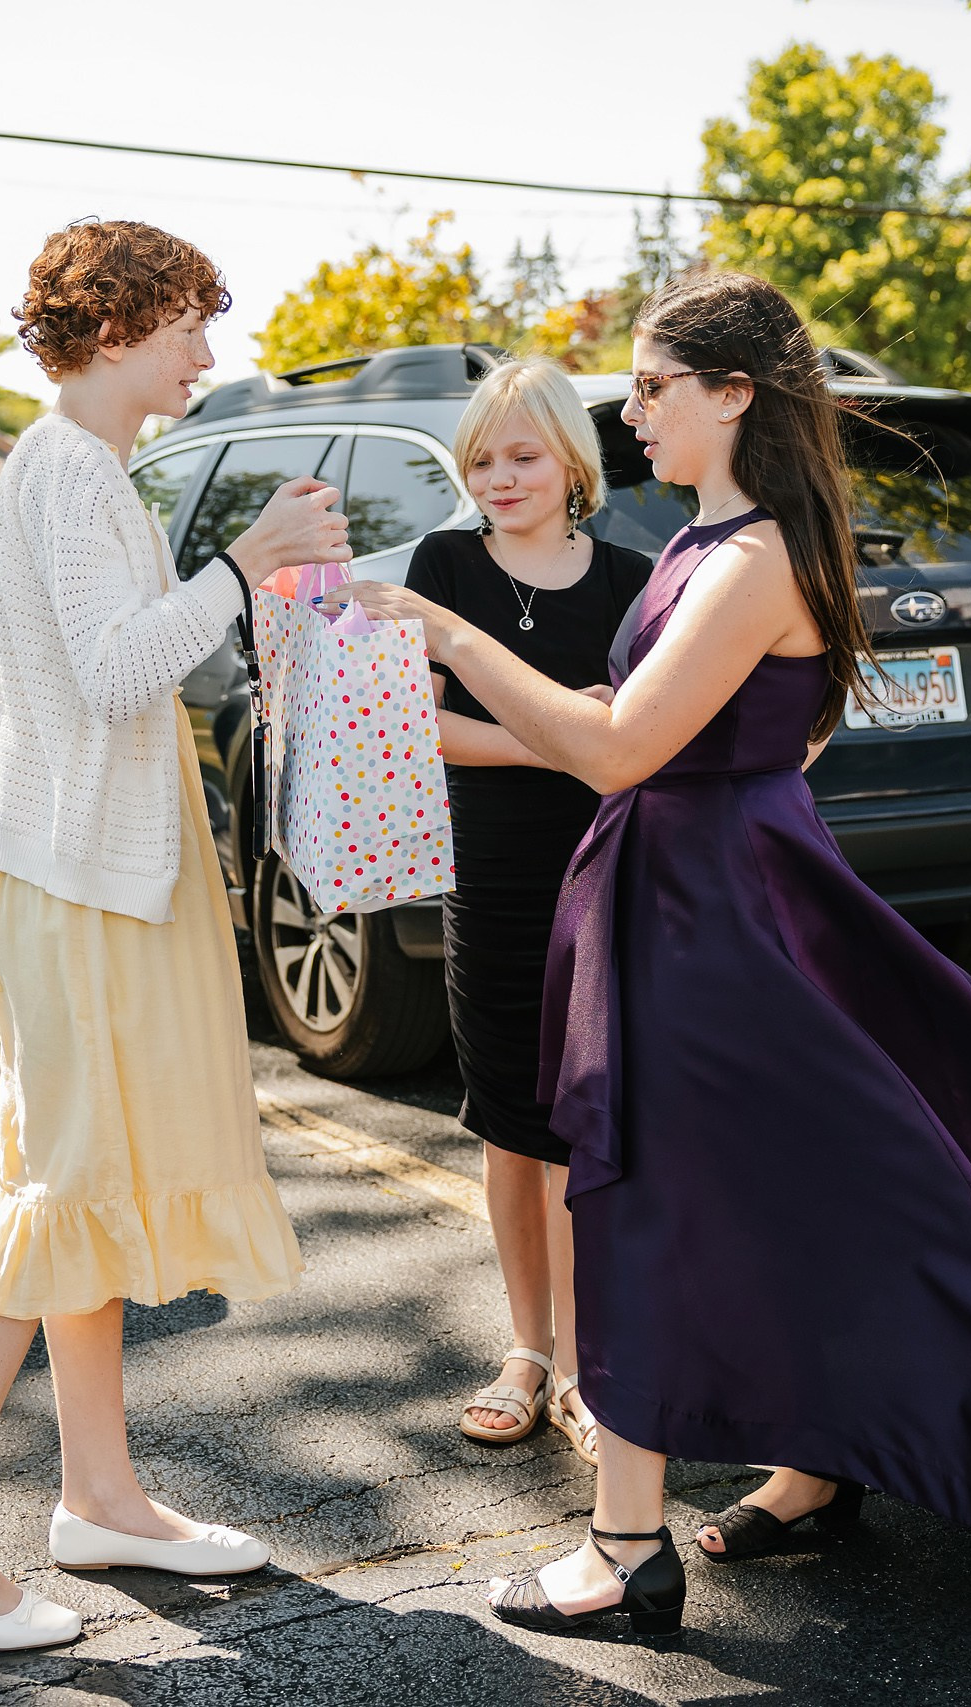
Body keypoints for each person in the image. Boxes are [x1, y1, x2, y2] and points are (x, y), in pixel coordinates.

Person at [331, 270, 971, 1636]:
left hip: (710, 910)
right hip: (704, 882)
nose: (633, 413)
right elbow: (757, 736)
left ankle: (626, 1548)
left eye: (653, 387)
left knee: (652, 1198)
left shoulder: (751, 558)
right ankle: (812, 1466)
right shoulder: (704, 540)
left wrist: (447, 631)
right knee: (783, 1191)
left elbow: (620, 746)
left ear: (733, 393)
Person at [0, 220, 351, 1653]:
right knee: (62, 1182)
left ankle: (99, 1495)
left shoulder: (85, 468)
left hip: (91, 871)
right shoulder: (68, 468)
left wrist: (255, 584)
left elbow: (125, 659)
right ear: (119, 325)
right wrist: (246, 562)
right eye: (189, 324)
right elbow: (118, 669)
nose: (207, 350)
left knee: (88, 1177)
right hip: (74, 878)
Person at [403, 358, 652, 1461]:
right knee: (508, 1118)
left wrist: (586, 744)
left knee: (584, 1121)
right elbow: (427, 725)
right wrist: (557, 739)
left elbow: (640, 733)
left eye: (522, 456)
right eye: (481, 461)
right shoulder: (445, 564)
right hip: (493, 873)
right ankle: (527, 1351)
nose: (499, 478)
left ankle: (594, 1369)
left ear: (572, 464)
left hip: (606, 870)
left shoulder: (631, 578)